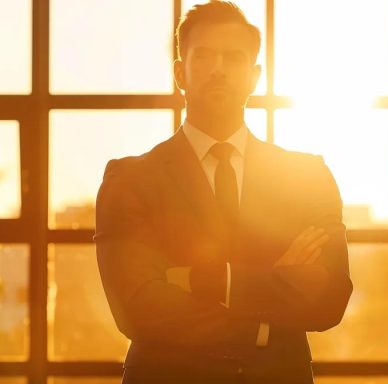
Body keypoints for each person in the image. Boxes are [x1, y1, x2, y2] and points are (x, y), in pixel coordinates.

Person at [95, 1, 352, 382]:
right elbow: (137, 309)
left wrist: (204, 282)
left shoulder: (307, 175)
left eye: (233, 58)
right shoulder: (129, 179)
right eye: (204, 57)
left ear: (254, 76)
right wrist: (268, 311)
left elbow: (328, 298)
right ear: (180, 73)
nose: (218, 69)